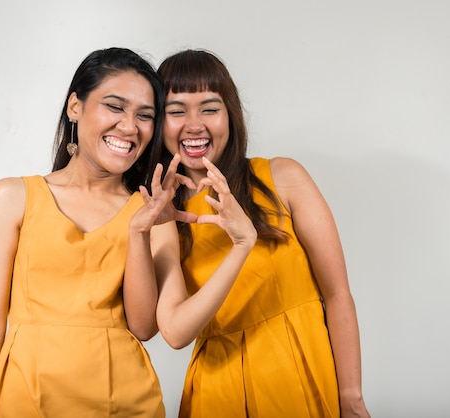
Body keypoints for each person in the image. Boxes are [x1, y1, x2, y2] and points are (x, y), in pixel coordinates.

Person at [0, 47, 196, 417]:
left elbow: (144, 326)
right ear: (75, 107)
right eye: (115, 107)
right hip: (24, 402)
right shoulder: (12, 197)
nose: (129, 126)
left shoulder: (153, 213)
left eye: (145, 115)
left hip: (127, 402)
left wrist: (138, 231)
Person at [151, 49, 371, 418]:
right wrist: (242, 244)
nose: (194, 124)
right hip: (219, 393)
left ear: (230, 116)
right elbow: (174, 332)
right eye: (176, 111)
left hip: (303, 372)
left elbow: (337, 294)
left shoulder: (284, 178)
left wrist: (351, 397)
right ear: (159, 122)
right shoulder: (163, 217)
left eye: (209, 108)